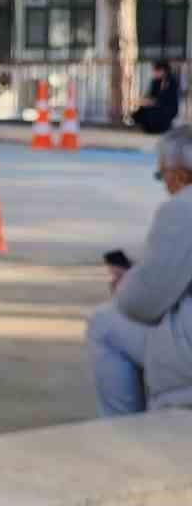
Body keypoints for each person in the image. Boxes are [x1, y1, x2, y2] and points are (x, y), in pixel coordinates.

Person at [86, 126, 192, 415]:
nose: (164, 185)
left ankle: (126, 430)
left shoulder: (181, 209)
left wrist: (125, 283)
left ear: (180, 175)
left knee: (104, 323)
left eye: (161, 175)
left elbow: (141, 304)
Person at [129, 59, 182, 134]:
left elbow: (168, 98)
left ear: (163, 71)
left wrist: (154, 101)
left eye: (156, 71)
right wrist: (145, 100)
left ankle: (158, 127)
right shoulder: (156, 82)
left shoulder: (171, 82)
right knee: (140, 111)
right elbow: (150, 94)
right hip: (155, 105)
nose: (154, 73)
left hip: (167, 108)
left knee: (152, 112)